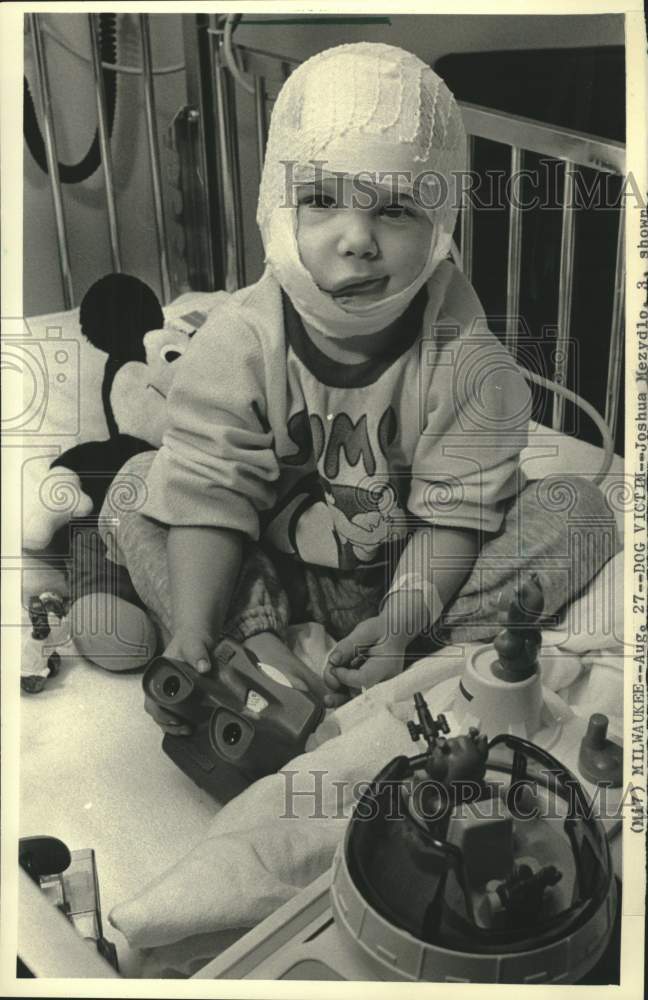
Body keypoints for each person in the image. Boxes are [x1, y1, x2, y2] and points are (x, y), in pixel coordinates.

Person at [96, 43, 616, 729]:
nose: (357, 240)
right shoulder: (238, 340)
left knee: (578, 510)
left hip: (412, 573)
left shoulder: (464, 356)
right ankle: (239, 648)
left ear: (441, 225)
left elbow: (454, 517)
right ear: (279, 211)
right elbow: (209, 495)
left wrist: (402, 621)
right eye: (320, 201)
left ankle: (395, 656)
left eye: (395, 210)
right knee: (135, 487)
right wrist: (194, 624)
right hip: (266, 569)